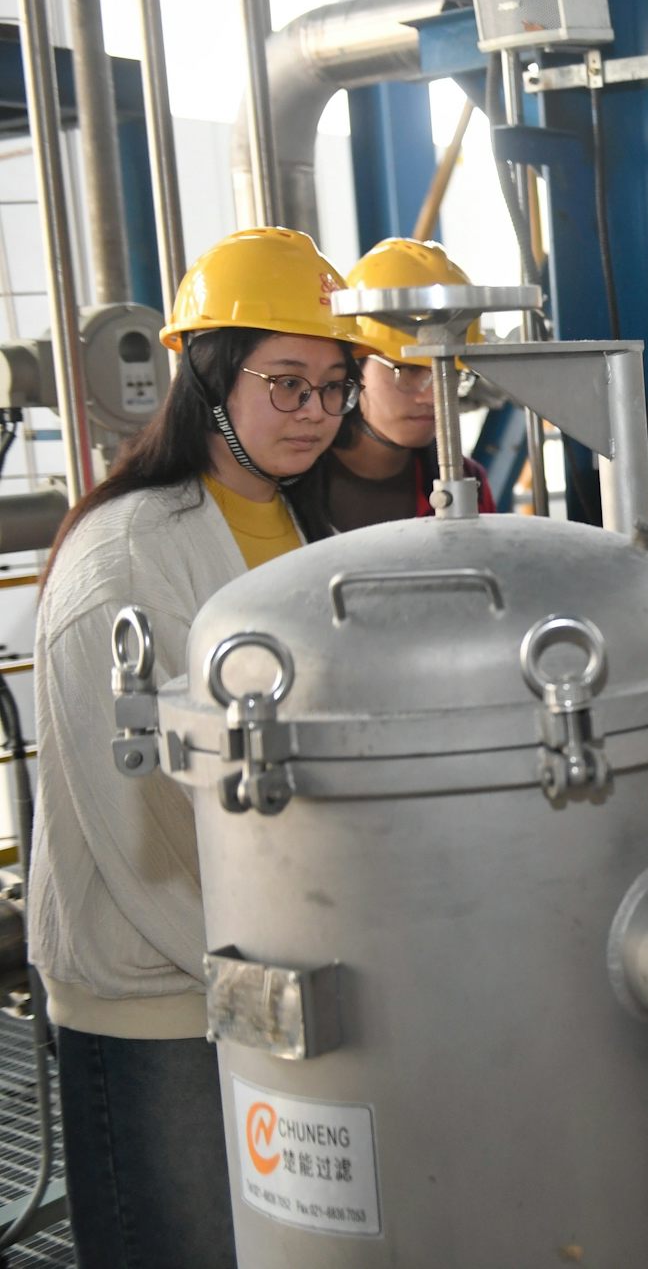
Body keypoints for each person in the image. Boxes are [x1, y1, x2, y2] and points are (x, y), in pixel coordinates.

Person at [29, 227, 368, 1269]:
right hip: (164, 1002)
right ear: (210, 378)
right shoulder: (125, 561)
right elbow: (149, 823)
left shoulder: (297, 529)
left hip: (269, 970)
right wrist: (288, 976)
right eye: (287, 383)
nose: (315, 412)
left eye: (335, 386)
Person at [321, 237, 497, 529]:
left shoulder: (469, 485)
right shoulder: (289, 483)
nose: (434, 397)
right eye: (408, 370)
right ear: (353, 367)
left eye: (450, 374)